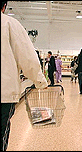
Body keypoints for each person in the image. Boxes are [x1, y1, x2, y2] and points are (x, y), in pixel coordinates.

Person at [1, 1, 48, 151]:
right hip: (3, 93)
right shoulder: (9, 23)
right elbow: (28, 58)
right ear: (4, 6)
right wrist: (40, 81)